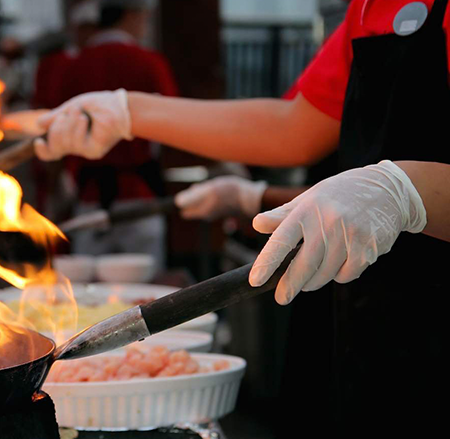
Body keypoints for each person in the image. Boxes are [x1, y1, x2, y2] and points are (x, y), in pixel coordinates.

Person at [33, 0, 450, 435]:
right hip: (373, 317)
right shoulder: (369, 8)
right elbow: (296, 127)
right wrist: (129, 112)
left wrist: (408, 189)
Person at [53, 0, 178, 266]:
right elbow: (174, 125)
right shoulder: (150, 63)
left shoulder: (74, 66)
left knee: (86, 293)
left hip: (89, 196)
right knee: (147, 292)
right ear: (131, 15)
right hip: (140, 198)